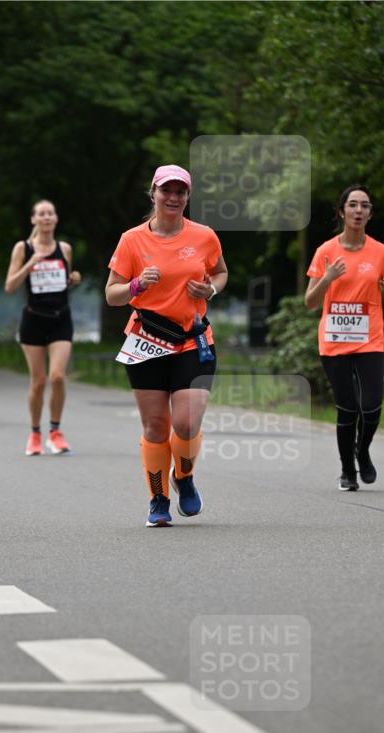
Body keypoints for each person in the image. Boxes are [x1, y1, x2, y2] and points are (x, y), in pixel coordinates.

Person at [105, 164, 228, 526]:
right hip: (147, 340)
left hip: (193, 339)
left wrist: (212, 289)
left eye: (180, 192)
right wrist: (136, 286)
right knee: (157, 426)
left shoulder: (204, 236)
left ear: (188, 197)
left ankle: (184, 478)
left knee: (187, 423)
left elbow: (220, 271)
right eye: (166, 191)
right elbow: (112, 295)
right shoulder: (132, 240)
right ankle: (158, 499)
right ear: (153, 193)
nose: (173, 198)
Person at [305, 184, 384, 490]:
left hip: (371, 338)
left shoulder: (379, 252)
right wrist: (327, 278)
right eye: (353, 205)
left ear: (370, 214)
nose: (359, 211)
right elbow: (310, 302)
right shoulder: (326, 251)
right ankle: (347, 471)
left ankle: (362, 451)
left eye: (365, 206)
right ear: (342, 211)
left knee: (372, 405)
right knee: (348, 407)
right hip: (335, 339)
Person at [4, 199, 82, 455]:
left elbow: (63, 281)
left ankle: (55, 432)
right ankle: (35, 433)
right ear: (34, 220)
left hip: (61, 318)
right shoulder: (23, 248)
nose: (46, 217)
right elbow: (10, 286)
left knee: (57, 376)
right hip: (33, 320)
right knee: (38, 381)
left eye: (50, 213)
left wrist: (74, 279)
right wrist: (31, 263)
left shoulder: (65, 248)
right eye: (41, 214)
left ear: (56, 219)